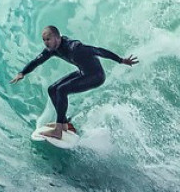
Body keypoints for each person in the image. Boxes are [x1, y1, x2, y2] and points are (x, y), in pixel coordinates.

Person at [10, 26, 138, 139]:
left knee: (61, 90)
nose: (45, 43)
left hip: (96, 76)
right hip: (83, 72)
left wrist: (121, 60)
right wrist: (23, 73)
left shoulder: (74, 47)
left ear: (57, 38)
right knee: (52, 89)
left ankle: (58, 130)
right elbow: (37, 61)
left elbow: (98, 50)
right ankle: (65, 124)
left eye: (48, 39)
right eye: (44, 40)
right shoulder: (52, 49)